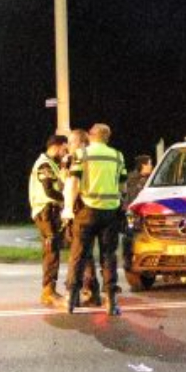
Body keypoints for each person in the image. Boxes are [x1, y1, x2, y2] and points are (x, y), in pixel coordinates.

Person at [65, 123, 127, 315]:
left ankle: (72, 299)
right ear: (107, 138)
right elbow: (123, 187)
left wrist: (68, 208)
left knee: (79, 254)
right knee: (109, 256)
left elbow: (73, 183)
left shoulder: (81, 154)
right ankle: (111, 301)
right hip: (110, 212)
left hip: (87, 211)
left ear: (91, 136)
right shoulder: (118, 156)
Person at [27, 134, 69, 306]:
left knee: (53, 251)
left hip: (48, 212)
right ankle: (48, 292)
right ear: (57, 146)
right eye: (64, 148)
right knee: (51, 251)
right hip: (46, 212)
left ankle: (50, 290)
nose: (65, 152)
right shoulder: (45, 164)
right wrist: (67, 199)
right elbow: (49, 191)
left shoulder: (51, 163)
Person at [61, 128, 101, 305]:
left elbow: (70, 186)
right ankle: (93, 291)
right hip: (96, 209)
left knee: (78, 255)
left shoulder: (77, 159)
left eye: (71, 142)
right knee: (87, 254)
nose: (68, 146)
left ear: (81, 143)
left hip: (80, 211)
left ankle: (76, 293)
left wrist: (67, 211)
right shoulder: (94, 159)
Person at [120, 153, 154, 282]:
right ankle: (128, 261)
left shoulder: (150, 178)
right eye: (150, 163)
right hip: (132, 214)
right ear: (143, 165)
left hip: (145, 214)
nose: (152, 166)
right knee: (130, 235)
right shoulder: (132, 180)